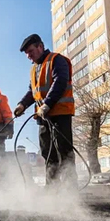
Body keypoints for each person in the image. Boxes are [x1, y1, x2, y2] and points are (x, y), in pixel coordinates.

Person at [14, 34, 76, 187]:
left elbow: (60, 81)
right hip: (43, 117)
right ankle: (52, 189)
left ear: (40, 46)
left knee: (64, 152)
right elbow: (33, 92)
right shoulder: (34, 69)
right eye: (27, 54)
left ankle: (70, 190)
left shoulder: (56, 60)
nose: (29, 56)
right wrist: (22, 104)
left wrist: (47, 104)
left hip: (60, 113)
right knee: (48, 153)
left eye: (30, 51)